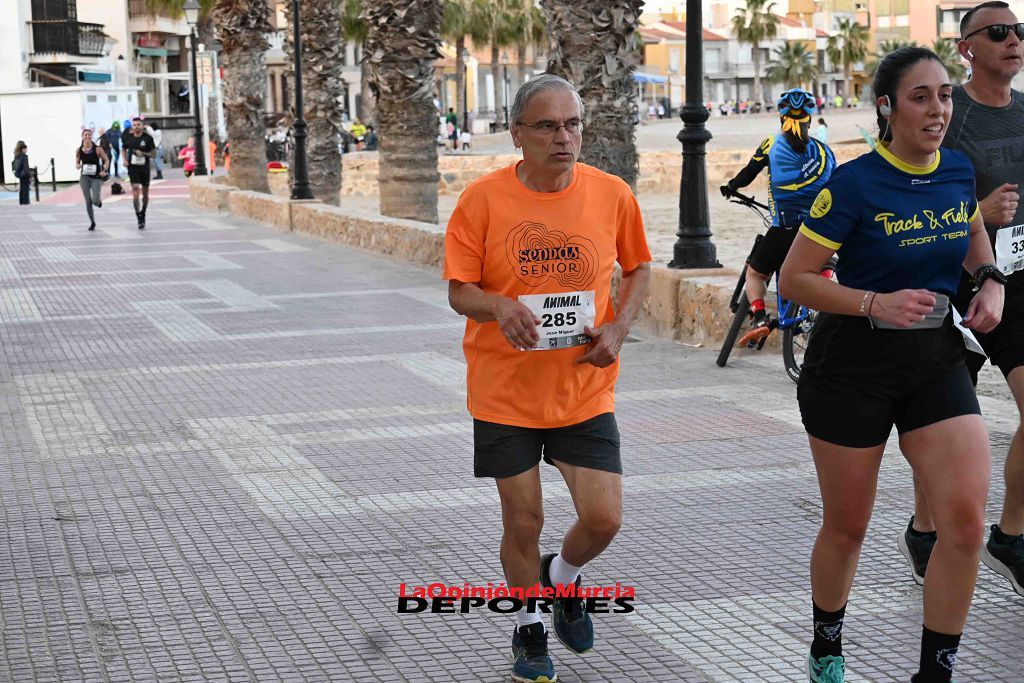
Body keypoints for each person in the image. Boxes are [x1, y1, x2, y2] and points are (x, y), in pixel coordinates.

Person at [779, 46, 1004, 683]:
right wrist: (874, 301)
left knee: (964, 525)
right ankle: (827, 641)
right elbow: (795, 280)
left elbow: (968, 232)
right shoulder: (852, 184)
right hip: (850, 371)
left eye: (944, 96)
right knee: (848, 526)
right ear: (887, 107)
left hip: (935, 361)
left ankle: (935, 671)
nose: (938, 110)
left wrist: (988, 280)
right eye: (921, 97)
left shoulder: (958, 171)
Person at [443, 74, 651, 683]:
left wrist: (618, 327)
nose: (564, 137)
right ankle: (530, 629)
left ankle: (561, 578)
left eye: (572, 124)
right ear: (517, 134)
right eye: (547, 126)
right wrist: (500, 307)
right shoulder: (481, 201)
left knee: (605, 518)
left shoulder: (611, 194)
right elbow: (460, 289)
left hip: (583, 385)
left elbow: (638, 269)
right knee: (523, 521)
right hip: (505, 391)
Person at [899, 0, 1024, 599]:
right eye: (999, 32)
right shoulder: (952, 119)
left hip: (1017, 286)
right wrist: (979, 214)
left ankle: (1011, 534)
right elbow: (918, 202)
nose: (1014, 40)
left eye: (1019, 30)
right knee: (940, 422)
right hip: (955, 289)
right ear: (968, 48)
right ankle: (924, 527)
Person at [720, 88, 836, 348]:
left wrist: (731, 187)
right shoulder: (825, 152)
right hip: (818, 229)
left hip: (784, 226)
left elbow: (747, 175)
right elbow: (836, 187)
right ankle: (818, 292)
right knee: (826, 258)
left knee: (756, 274)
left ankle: (760, 318)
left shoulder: (771, 144)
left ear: (782, 118)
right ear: (809, 119)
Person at [122, 117, 156, 229]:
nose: (136, 126)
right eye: (134, 125)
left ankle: (143, 212)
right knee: (135, 190)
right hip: (133, 168)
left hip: (144, 168)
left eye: (138, 124)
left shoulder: (148, 138)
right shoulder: (128, 138)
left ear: (142, 125)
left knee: (145, 194)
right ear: (132, 126)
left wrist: (143, 154)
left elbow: (154, 155)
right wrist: (125, 160)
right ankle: (138, 216)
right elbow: (123, 149)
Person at [76, 129, 109, 231]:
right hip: (84, 177)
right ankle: (92, 222)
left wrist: (104, 169)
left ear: (91, 136)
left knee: (94, 200)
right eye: (85, 135)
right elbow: (77, 162)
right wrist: (78, 165)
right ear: (82, 137)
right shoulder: (79, 150)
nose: (87, 136)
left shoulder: (97, 149)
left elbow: (106, 160)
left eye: (89, 135)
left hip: (96, 177)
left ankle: (98, 202)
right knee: (88, 201)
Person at [12, 141, 30, 205]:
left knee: (22, 189)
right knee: (26, 190)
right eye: (25, 148)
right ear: (22, 149)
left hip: (20, 175)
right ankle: (26, 202)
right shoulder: (24, 156)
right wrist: (30, 175)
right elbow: (26, 167)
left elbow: (14, 165)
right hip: (25, 175)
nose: (26, 150)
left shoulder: (16, 156)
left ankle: (22, 202)